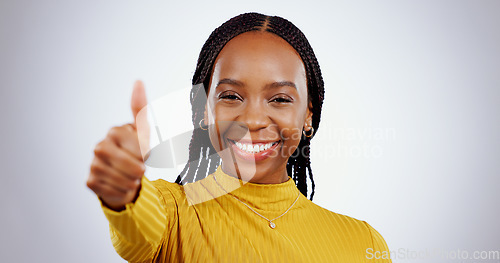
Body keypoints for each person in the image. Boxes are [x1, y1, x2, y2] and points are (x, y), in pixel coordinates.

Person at [87, 12, 392, 262]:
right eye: (231, 96)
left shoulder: (363, 244)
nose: (253, 120)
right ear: (204, 110)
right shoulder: (172, 216)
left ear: (308, 114)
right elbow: (138, 222)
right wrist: (124, 190)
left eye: (280, 99)